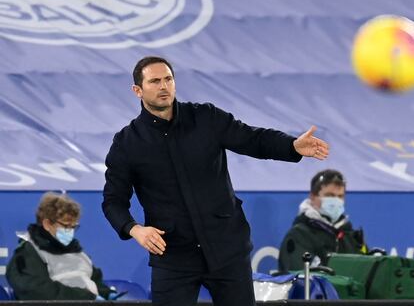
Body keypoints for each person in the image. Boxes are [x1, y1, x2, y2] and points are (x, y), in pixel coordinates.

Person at [102, 56, 329, 306]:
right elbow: (113, 201)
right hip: (174, 257)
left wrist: (292, 146)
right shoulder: (126, 143)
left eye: (168, 79)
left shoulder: (206, 117)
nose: (163, 86)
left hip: (227, 250)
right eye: (155, 81)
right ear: (138, 90)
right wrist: (135, 229)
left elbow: (253, 139)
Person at [6, 192, 116, 300]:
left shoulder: (78, 252)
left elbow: (94, 281)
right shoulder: (27, 254)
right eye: (66, 226)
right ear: (47, 224)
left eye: (73, 227)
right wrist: (87, 297)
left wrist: (107, 294)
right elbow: (37, 291)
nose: (70, 231)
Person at [278, 169, 368, 272]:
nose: (336, 201)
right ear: (312, 197)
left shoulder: (351, 236)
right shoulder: (299, 235)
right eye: (330, 195)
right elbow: (299, 279)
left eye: (340, 196)